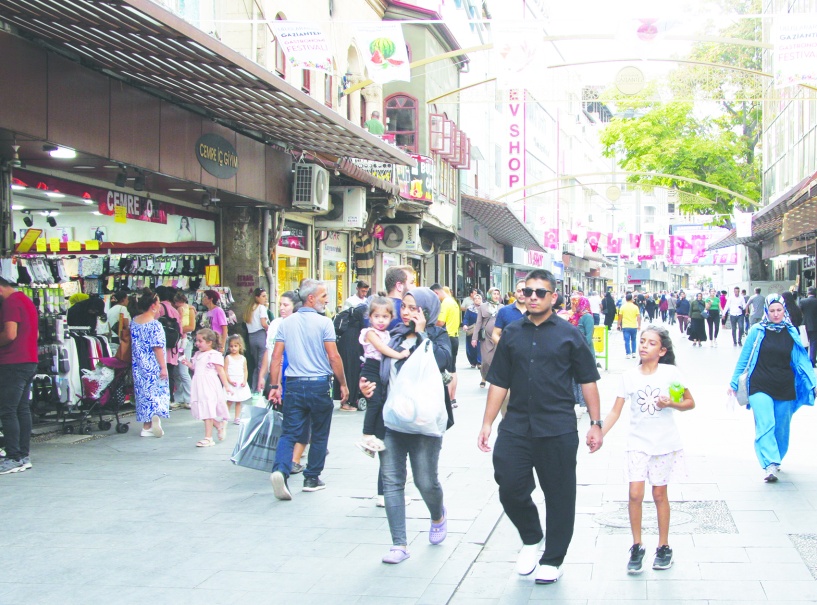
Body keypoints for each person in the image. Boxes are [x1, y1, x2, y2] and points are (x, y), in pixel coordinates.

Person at [478, 269, 602, 585]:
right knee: (509, 484)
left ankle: (553, 558)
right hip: (516, 424)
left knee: (560, 494)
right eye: (528, 291)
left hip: (557, 427)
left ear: (552, 297)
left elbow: (588, 380)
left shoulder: (569, 334)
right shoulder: (512, 334)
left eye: (540, 292)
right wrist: (487, 423)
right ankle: (532, 537)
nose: (532, 296)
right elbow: (499, 381)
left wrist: (596, 423)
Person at [358, 287, 454, 565]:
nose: (408, 313)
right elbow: (377, 370)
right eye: (405, 307)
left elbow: (441, 361)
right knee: (392, 481)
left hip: (425, 423)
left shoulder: (438, 335)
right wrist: (366, 388)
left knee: (426, 481)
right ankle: (399, 543)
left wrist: (423, 333)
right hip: (392, 421)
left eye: (415, 308)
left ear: (427, 311)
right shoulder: (392, 334)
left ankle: (438, 514)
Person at [601, 326, 695, 574]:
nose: (643, 346)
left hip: (664, 443)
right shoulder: (629, 376)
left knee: (659, 495)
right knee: (634, 494)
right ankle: (636, 545)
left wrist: (671, 403)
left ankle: (663, 546)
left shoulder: (670, 373)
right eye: (642, 341)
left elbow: (689, 403)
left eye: (651, 343)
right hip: (637, 443)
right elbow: (615, 411)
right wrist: (599, 432)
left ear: (662, 350)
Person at [268, 279, 349, 500]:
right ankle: (312, 478)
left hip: (293, 383)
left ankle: (280, 470)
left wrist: (275, 386)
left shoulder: (286, 323)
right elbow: (333, 356)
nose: (327, 300)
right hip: (319, 384)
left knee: (289, 432)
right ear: (311, 298)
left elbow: (276, 358)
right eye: (324, 296)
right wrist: (342, 383)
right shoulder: (324, 323)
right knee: (320, 432)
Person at [727, 294, 816, 482]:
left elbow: (802, 361)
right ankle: (769, 464)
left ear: (785, 311)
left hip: (784, 385)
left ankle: (777, 459)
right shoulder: (757, 331)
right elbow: (744, 359)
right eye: (772, 310)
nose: (776, 314)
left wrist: (812, 382)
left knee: (781, 428)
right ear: (766, 311)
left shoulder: (792, 332)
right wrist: (734, 382)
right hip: (760, 384)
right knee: (766, 423)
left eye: (779, 310)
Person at [259, 291, 308, 474]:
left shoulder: (298, 324)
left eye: (285, 305)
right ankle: (289, 457)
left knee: (297, 420)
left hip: (295, 376)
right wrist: (269, 380)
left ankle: (291, 458)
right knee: (288, 420)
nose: (281, 308)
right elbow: (272, 353)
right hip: (281, 376)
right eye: (280, 304)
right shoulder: (276, 325)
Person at [356, 296, 410, 455]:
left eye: (385, 317)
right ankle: (366, 434)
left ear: (391, 317)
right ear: (370, 317)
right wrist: (399, 355)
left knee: (381, 401)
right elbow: (381, 348)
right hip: (371, 368)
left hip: (381, 370)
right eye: (376, 316)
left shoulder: (387, 333)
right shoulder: (370, 332)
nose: (380, 320)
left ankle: (374, 440)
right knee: (374, 401)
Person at [0, 277, 39, 475]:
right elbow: (36, 334)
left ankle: (13, 457)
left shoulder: (11, 303)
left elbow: (10, 334)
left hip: (12, 362)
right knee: (21, 409)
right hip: (29, 360)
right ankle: (23, 456)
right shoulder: (25, 301)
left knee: (8, 411)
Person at [180, 329, 232, 447]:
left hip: (208, 384)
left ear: (209, 342)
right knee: (202, 408)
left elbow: (220, 371)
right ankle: (219, 425)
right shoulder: (198, 354)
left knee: (207, 409)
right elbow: (196, 367)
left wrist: (227, 386)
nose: (197, 343)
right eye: (196, 341)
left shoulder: (213, 355)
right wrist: (189, 364)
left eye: (200, 341)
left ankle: (208, 438)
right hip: (199, 384)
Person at [130, 288, 170, 438]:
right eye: (158, 303)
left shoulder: (134, 322)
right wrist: (164, 367)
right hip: (153, 364)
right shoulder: (155, 325)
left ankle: (146, 426)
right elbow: (158, 347)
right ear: (153, 305)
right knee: (157, 392)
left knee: (144, 394)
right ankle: (156, 416)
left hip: (139, 365)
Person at [431, 283, 461, 407]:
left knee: (446, 370)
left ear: (437, 293)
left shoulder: (445, 303)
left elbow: (440, 321)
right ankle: (453, 398)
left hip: (447, 337)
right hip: (455, 336)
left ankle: (447, 399)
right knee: (453, 369)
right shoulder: (453, 302)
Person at [569, 295, 595, 419]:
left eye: (573, 303)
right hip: (573, 353)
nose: (571, 306)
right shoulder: (574, 317)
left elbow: (588, 338)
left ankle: (590, 406)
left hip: (584, 352)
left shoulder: (587, 317)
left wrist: (577, 348)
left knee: (586, 380)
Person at [156, 286, 183, 404]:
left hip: (160, 346)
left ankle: (161, 398)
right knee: (170, 373)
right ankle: (170, 398)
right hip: (172, 346)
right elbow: (180, 331)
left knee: (160, 372)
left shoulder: (158, 308)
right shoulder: (175, 310)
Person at [473, 287, 502, 388]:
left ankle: (495, 379)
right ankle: (484, 378)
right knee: (485, 361)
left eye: (498, 294)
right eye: (494, 294)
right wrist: (474, 338)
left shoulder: (502, 307)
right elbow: (478, 323)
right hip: (486, 337)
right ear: (489, 294)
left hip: (498, 337)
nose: (496, 296)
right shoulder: (483, 307)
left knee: (496, 360)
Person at [243, 287, 270, 392]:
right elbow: (264, 324)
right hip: (261, 335)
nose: (265, 298)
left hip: (251, 337)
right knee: (262, 364)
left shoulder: (249, 309)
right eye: (263, 296)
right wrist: (270, 328)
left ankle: (254, 387)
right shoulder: (261, 308)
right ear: (257, 297)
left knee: (256, 364)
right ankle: (260, 388)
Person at [172, 291, 196, 408]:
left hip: (185, 340)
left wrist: (181, 331)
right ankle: (180, 397)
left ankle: (189, 398)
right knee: (177, 371)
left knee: (182, 370)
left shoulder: (185, 310)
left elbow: (188, 326)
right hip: (181, 340)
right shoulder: (189, 308)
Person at [224, 334, 252, 424]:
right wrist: (229, 381)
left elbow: (245, 370)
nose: (233, 348)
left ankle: (237, 417)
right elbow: (225, 370)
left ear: (240, 346)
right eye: (231, 346)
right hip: (231, 381)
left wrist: (244, 381)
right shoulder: (228, 358)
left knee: (238, 401)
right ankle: (226, 416)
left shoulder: (243, 358)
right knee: (229, 400)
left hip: (240, 382)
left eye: (235, 346)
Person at [463, 291, 483, 367]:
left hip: (481, 330)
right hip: (471, 330)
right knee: (471, 347)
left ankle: (479, 362)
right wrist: (465, 325)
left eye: (479, 298)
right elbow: (466, 318)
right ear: (473, 300)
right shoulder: (470, 309)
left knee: (480, 346)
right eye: (476, 298)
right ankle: (473, 362)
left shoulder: (484, 308)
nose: (477, 300)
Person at [619, 293, 641, 359]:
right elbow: (638, 317)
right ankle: (634, 353)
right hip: (634, 326)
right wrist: (639, 325)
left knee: (626, 341)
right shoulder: (635, 307)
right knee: (633, 340)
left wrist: (618, 325)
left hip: (625, 326)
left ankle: (628, 353)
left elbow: (620, 317)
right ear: (631, 299)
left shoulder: (623, 307)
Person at [799, 287, 817, 367]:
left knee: (805, 343)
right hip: (815, 325)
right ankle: (812, 361)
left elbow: (800, 312)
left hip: (804, 324)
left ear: (808, 293)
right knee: (813, 343)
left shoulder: (802, 301)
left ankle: (805, 361)